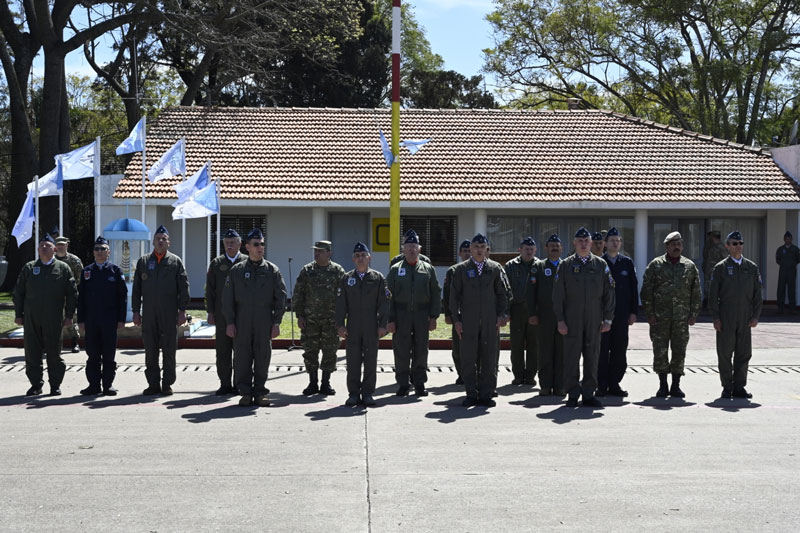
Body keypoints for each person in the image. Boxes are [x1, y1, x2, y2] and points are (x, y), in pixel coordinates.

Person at [222, 228, 287, 407]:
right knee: (242, 357)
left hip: (263, 320)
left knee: (262, 356)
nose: (260, 248)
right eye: (256, 244)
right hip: (242, 320)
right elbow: (227, 299)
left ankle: (259, 392)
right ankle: (245, 393)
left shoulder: (272, 270)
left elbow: (280, 298)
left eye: (262, 244)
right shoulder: (237, 271)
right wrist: (230, 322)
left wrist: (276, 322)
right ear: (247, 247)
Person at [552, 227, 615, 408]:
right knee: (571, 358)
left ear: (591, 243)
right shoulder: (565, 265)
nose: (583, 243)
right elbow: (558, 295)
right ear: (574, 243)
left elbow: (609, 293)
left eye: (586, 240)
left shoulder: (600, 265)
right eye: (580, 241)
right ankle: (572, 393)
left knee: (592, 357)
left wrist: (608, 318)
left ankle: (588, 394)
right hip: (572, 319)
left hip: (594, 319)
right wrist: (560, 320)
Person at [13, 234, 78, 396]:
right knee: (32, 352)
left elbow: (72, 293)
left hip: (54, 318)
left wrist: (69, 315)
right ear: (37, 249)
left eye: (47, 245)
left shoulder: (62, 268)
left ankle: (55, 385)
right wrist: (18, 314)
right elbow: (18, 292)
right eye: (41, 245)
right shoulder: (29, 268)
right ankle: (36, 384)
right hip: (31, 317)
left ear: (55, 249)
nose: (44, 248)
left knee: (54, 352)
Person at [449, 233, 509, 407]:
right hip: (469, 321)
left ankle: (486, 394)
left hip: (490, 321)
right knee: (468, 358)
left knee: (489, 358)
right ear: (471, 249)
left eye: (483, 247)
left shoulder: (495, 268)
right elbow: (454, 297)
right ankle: (471, 393)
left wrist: (501, 315)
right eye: (476, 247)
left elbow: (502, 294)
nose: (479, 250)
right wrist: (457, 320)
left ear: (487, 249)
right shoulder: (460, 270)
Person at [640, 231, 701, 398]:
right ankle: (662, 385)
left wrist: (694, 313)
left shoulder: (689, 266)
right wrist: (649, 313)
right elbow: (646, 291)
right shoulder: (656, 265)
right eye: (673, 244)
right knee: (660, 351)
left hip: (681, 318)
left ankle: (676, 385)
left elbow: (696, 291)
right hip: (660, 318)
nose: (677, 246)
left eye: (679, 243)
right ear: (666, 246)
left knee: (679, 351)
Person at [131, 225, 190, 396]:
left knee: (169, 349)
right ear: (153, 242)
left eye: (164, 238)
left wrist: (182, 310)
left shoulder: (175, 262)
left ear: (169, 243)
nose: (161, 241)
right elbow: (137, 288)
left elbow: (184, 287)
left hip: (169, 312)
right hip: (149, 313)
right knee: (150, 349)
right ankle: (153, 384)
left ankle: (167, 384)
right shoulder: (144, 261)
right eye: (158, 238)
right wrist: (136, 311)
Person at [386, 229, 441, 397]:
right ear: (403, 249)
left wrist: (433, 316)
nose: (411, 249)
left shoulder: (428, 269)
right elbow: (388, 296)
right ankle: (403, 384)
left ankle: (419, 383)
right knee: (401, 349)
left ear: (419, 249)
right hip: (401, 314)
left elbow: (435, 293)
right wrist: (390, 319)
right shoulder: (395, 269)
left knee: (421, 350)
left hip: (421, 314)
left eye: (414, 246)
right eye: (408, 246)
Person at [709, 231, 763, 399]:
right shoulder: (720, 268)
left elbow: (757, 295)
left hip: (745, 317)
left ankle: (739, 387)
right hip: (726, 317)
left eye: (740, 243)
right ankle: (727, 386)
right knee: (725, 353)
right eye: (734, 243)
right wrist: (716, 317)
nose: (738, 246)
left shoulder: (751, 267)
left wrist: (755, 316)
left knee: (744, 353)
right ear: (727, 246)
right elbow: (713, 296)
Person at [336, 242, 389, 407]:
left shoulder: (378, 278)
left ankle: (367, 394)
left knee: (370, 361)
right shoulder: (346, 278)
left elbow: (384, 304)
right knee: (352, 361)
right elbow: (340, 304)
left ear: (369, 258)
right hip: (353, 326)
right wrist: (340, 325)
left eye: (363, 255)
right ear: (353, 259)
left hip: (371, 326)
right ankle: (353, 394)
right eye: (357, 256)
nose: (360, 259)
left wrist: (382, 325)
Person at [76, 236, 128, 396]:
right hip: (91, 320)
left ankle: (107, 385)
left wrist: (121, 319)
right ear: (93, 252)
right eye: (97, 249)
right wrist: (81, 320)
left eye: (102, 249)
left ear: (108, 252)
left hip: (109, 319)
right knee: (92, 353)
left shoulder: (115, 271)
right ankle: (93, 385)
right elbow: (81, 297)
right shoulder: (87, 271)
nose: (99, 252)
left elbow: (122, 297)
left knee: (108, 354)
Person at [294, 240, 346, 396]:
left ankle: (325, 383)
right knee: (310, 351)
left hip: (331, 320)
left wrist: (341, 319)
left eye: (320, 251)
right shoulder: (307, 270)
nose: (316, 254)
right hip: (311, 320)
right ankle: (312, 382)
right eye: (315, 251)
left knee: (330, 351)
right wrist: (300, 315)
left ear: (329, 253)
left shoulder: (338, 271)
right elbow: (298, 294)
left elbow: (343, 296)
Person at [598, 227, 638, 397]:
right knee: (601, 350)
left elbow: (633, 288)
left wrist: (633, 311)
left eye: (618, 240)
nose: (615, 243)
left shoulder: (627, 263)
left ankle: (614, 383)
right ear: (605, 244)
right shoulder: (599, 262)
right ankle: (601, 385)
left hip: (621, 314)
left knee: (619, 349)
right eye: (612, 240)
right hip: (602, 315)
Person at [205, 229, 246, 395]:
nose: (229, 245)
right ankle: (225, 383)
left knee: (241, 351)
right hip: (222, 315)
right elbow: (211, 290)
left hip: (242, 314)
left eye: (233, 242)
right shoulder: (216, 263)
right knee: (223, 350)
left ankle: (239, 383)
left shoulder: (247, 262)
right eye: (227, 242)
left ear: (240, 244)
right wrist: (210, 312)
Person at [528, 234, 565, 397]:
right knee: (545, 351)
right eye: (551, 245)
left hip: (564, 317)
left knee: (562, 352)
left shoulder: (568, 266)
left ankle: (560, 386)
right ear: (546, 248)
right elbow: (530, 293)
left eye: (557, 245)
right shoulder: (539, 267)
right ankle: (545, 385)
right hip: (545, 316)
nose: (555, 248)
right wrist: (532, 314)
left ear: (561, 248)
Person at [504, 236, 539, 386]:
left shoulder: (540, 266)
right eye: (526, 249)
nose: (529, 252)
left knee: (534, 345)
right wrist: (506, 311)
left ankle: (530, 375)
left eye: (531, 249)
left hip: (534, 310)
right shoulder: (511, 266)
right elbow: (505, 290)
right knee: (517, 345)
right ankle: (518, 375)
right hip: (517, 309)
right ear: (520, 250)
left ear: (535, 250)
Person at [443, 240, 472, 384]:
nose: (467, 253)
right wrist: (448, 314)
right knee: (458, 347)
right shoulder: (453, 270)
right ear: (460, 253)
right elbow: (447, 294)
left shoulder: (477, 269)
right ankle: (462, 374)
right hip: (458, 314)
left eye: (469, 250)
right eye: (464, 251)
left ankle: (474, 374)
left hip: (473, 313)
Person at [54, 235, 84, 353]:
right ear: (55, 247)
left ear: (67, 245)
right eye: (59, 245)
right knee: (54, 320)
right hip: (55, 296)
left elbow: (80, 278)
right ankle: (55, 344)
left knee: (72, 319)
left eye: (63, 245)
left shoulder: (74, 260)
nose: (61, 247)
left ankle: (75, 342)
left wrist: (72, 289)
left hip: (71, 295)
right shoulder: (51, 260)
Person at [775, 230, 800, 313]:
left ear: (791, 239)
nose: (788, 240)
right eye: (786, 238)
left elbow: (798, 259)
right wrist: (783, 264)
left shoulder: (795, 249)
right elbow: (777, 259)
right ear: (784, 239)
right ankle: (780, 307)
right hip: (782, 271)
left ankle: (792, 308)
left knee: (791, 289)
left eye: (789, 239)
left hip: (792, 272)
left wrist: (792, 264)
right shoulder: (780, 249)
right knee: (781, 289)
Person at [703, 230, 727, 307]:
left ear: (714, 237)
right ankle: (708, 303)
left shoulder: (721, 247)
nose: (709, 238)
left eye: (711, 236)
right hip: (709, 271)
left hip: (717, 272)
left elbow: (726, 259)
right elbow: (705, 256)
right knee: (708, 287)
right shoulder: (710, 246)